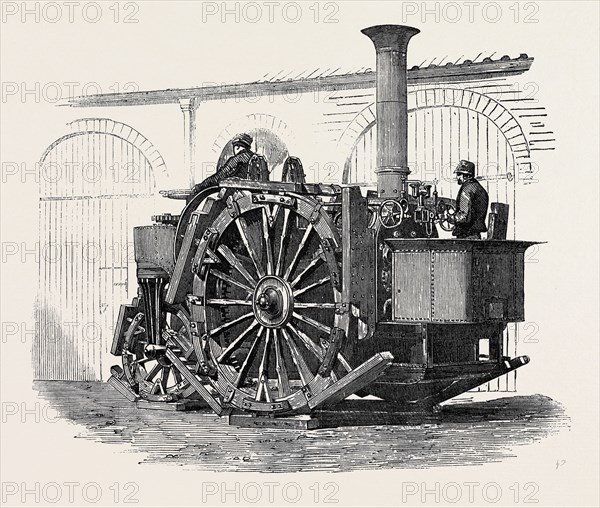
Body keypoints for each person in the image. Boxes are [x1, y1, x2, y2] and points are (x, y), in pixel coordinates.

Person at [191, 133, 255, 195]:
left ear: (237, 147)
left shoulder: (237, 159)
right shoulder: (257, 158)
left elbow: (219, 176)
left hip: (239, 197)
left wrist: (200, 187)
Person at [452, 160, 489, 239]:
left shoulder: (467, 190)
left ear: (467, 175)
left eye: (459, 174)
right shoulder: (479, 188)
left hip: (466, 236)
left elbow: (463, 216)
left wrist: (451, 218)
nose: (457, 177)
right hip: (475, 235)